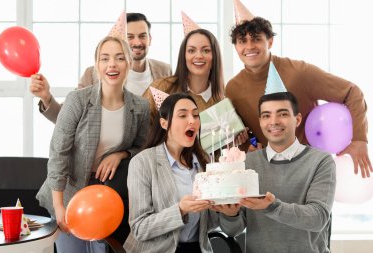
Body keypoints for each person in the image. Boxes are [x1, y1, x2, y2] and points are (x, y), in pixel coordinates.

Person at [36, 36, 150, 252]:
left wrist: (122, 153)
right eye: (104, 58)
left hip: (106, 200)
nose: (112, 65)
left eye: (119, 58)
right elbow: (58, 152)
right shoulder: (77, 100)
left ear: (129, 63)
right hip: (68, 193)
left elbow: (141, 150)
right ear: (97, 65)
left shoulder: (140, 107)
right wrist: (60, 206)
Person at [226, 16, 372, 177]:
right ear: (235, 46)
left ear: (270, 42)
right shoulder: (233, 89)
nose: (249, 46)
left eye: (256, 39)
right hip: (268, 173)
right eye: (242, 41)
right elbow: (246, 133)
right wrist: (249, 146)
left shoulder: (299, 73)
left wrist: (359, 139)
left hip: (311, 170)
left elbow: (352, 93)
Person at [216, 91, 336, 253]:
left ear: (298, 119)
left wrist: (273, 207)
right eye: (266, 116)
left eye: (283, 114)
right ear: (260, 122)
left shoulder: (320, 161)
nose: (273, 122)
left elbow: (318, 218)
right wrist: (230, 215)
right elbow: (233, 230)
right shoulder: (247, 163)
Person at [30, 12, 171, 124]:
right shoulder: (92, 74)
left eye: (142, 36)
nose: (137, 42)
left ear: (150, 39)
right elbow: (67, 118)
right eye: (130, 37)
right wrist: (46, 97)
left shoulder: (165, 71)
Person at [124, 93, 220, 253]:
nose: (192, 120)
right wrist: (180, 210)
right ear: (163, 123)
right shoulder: (143, 162)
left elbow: (209, 225)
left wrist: (228, 213)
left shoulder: (204, 163)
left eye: (196, 115)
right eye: (183, 115)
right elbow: (139, 228)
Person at [144, 28, 225, 125]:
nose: (199, 56)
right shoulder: (161, 88)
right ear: (184, 55)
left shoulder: (222, 99)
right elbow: (139, 124)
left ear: (215, 56)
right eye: (191, 50)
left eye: (206, 50)